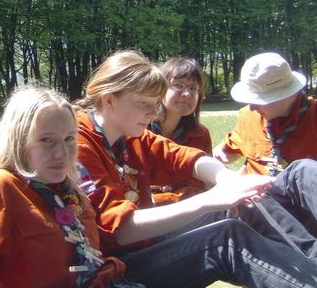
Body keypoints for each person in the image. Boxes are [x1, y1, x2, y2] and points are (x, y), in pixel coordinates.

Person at [75, 49, 317, 287]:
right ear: (109, 99)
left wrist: (229, 181)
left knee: (254, 194)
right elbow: (121, 231)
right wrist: (210, 200)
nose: (154, 112)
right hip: (115, 268)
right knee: (227, 240)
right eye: (144, 104)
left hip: (145, 244)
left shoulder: (128, 134)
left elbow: (185, 158)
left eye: (156, 104)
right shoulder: (77, 143)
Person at [0, 86, 131, 288]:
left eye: (69, 138)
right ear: (19, 141)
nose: (62, 153)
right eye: (46, 140)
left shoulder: (68, 187)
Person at [213, 52, 317, 259]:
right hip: (265, 211)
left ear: (287, 94)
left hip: (307, 211)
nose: (252, 106)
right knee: (250, 191)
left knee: (302, 170)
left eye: (259, 100)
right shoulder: (248, 116)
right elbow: (225, 152)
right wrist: (219, 165)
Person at [148, 56, 212, 205]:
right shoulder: (137, 128)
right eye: (178, 85)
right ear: (160, 89)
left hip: (187, 210)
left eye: (193, 88)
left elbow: (200, 185)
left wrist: (171, 199)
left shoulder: (200, 134)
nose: (187, 94)